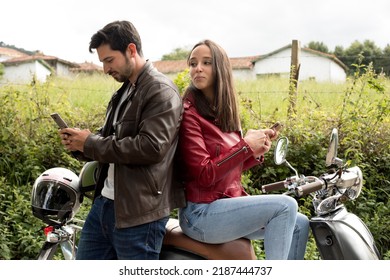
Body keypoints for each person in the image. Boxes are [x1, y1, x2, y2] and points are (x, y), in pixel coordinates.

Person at [59, 20, 185, 260]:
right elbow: (112, 141)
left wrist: (90, 143)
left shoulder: (161, 90)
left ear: (131, 50)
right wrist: (80, 144)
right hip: (105, 205)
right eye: (103, 62)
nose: (106, 70)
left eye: (109, 60)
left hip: (140, 215)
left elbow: (151, 147)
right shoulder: (125, 90)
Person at [177, 39, 309, 260]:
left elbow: (228, 168)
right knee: (286, 205)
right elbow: (204, 174)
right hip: (200, 213)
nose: (197, 68)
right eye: (193, 63)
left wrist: (252, 152)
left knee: (299, 223)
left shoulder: (223, 112)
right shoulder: (189, 113)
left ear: (220, 68)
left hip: (225, 204)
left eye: (206, 62)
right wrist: (244, 147)